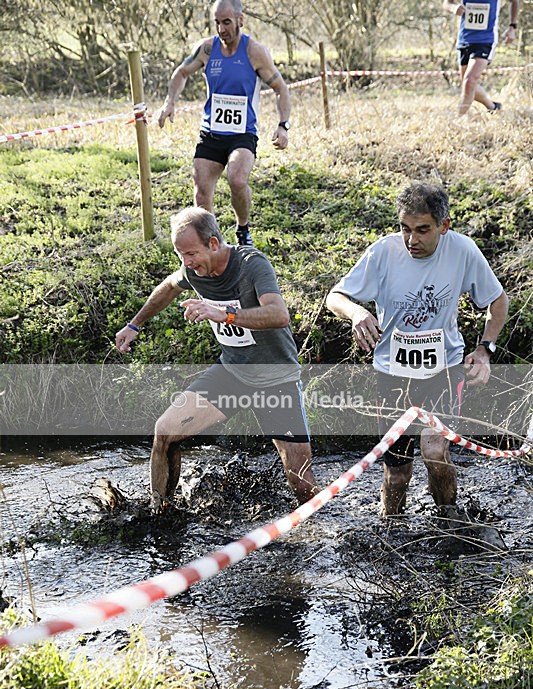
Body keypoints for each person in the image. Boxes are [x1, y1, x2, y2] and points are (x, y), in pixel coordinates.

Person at [116, 207, 318, 512]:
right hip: (232, 375)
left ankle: (318, 531)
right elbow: (169, 287)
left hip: (275, 378)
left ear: (214, 243)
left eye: (191, 253)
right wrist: (135, 324)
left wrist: (225, 315)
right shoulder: (192, 270)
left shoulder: (252, 264)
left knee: (300, 481)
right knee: (165, 430)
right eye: (180, 255)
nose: (187, 263)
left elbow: (279, 315)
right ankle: (160, 513)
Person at [326, 183, 509, 519]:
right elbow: (334, 297)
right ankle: (392, 534)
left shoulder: (463, 251)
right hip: (392, 373)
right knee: (397, 472)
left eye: (423, 230)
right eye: (405, 229)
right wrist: (357, 313)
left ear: (444, 225)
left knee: (434, 450)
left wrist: (485, 349)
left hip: (443, 369)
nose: (412, 240)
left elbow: (497, 301)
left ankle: (450, 524)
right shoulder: (383, 253)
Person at [155, 0, 291, 246]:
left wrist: (283, 125)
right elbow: (181, 72)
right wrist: (170, 102)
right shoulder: (207, 49)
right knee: (201, 191)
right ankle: (210, 243)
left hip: (242, 133)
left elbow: (281, 87)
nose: (221, 29)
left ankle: (243, 229)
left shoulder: (255, 52)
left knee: (237, 180)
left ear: (241, 19)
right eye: (217, 23)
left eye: (226, 22)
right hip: (211, 132)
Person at [443, 0, 520, 115]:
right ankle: (492, 106)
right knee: (467, 83)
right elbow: (447, 3)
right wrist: (453, 8)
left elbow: (514, 1)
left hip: (486, 40)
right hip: (464, 39)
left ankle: (457, 120)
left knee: (469, 81)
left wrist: (512, 27)